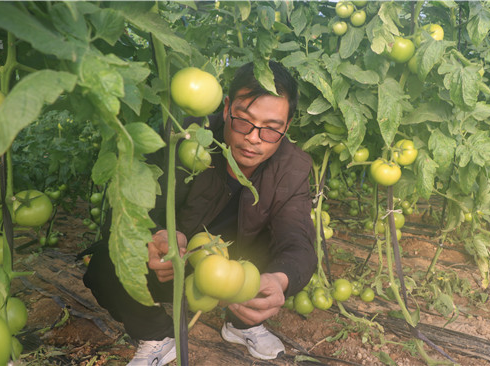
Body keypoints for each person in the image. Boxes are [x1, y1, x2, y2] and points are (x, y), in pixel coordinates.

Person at [83, 61, 317, 365]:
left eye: (271, 129)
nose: (254, 137)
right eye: (244, 121)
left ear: (286, 128)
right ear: (226, 107)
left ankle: (242, 323)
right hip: (174, 263)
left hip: (237, 271)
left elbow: (297, 240)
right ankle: (155, 333)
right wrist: (155, 238)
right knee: (104, 263)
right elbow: (134, 206)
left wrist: (279, 280)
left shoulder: (293, 167)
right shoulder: (184, 138)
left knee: (278, 257)